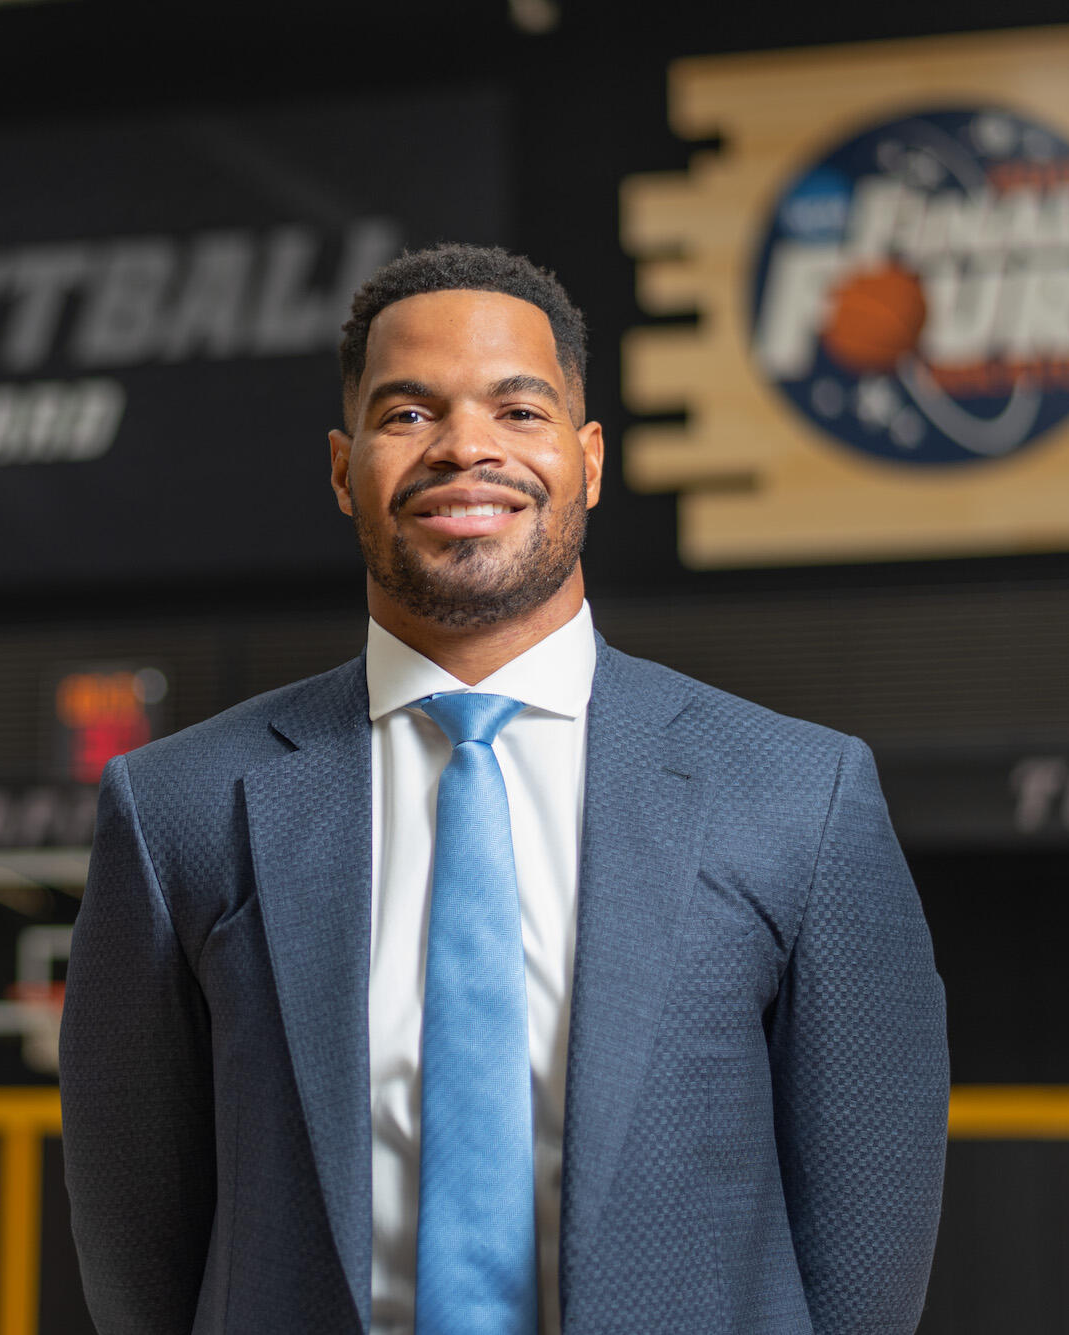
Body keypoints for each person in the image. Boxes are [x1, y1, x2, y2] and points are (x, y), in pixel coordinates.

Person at [59, 244, 948, 1335]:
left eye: (517, 411)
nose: (464, 448)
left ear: (587, 459)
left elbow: (866, 1245)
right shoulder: (177, 809)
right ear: (342, 471)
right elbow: (134, 1248)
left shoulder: (799, 795)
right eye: (407, 414)